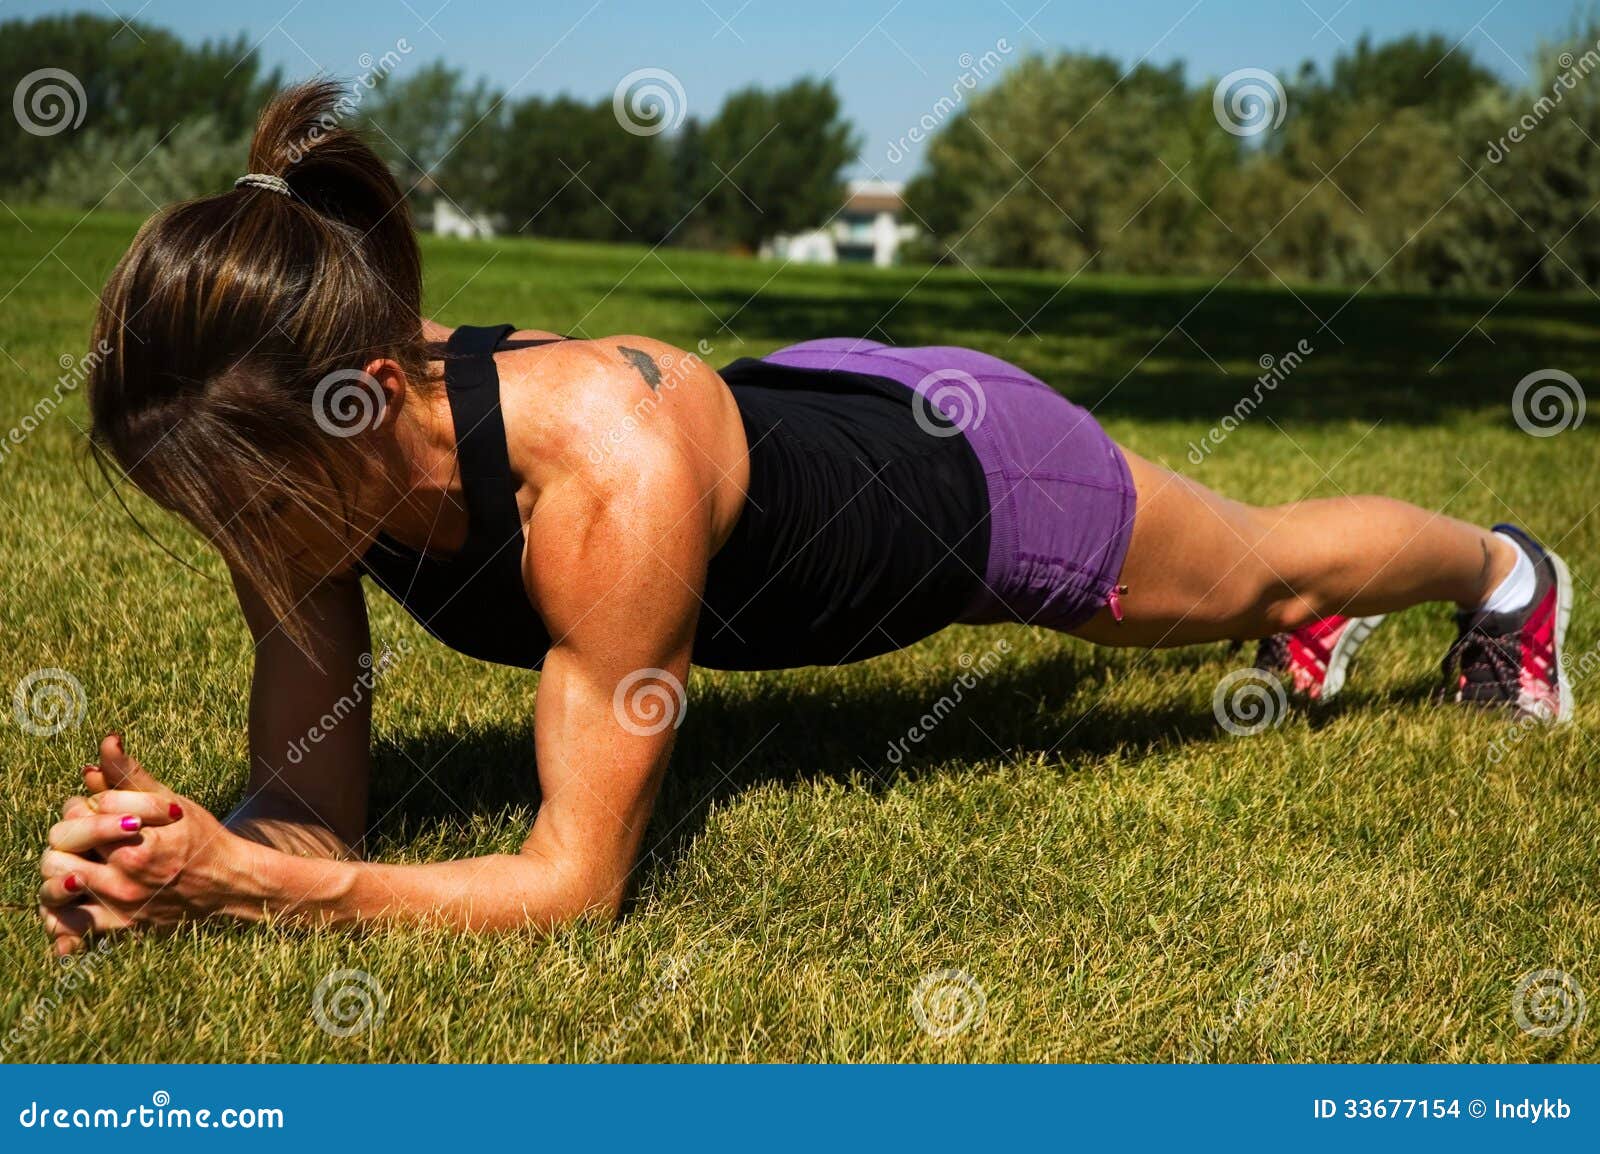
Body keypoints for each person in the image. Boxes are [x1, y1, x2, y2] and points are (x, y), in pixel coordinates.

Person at [37, 82, 1573, 954]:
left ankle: (1507, 576)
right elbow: (318, 815)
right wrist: (186, 858)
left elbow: (573, 886)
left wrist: (273, 887)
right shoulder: (303, 446)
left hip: (967, 476)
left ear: (372, 394)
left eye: (242, 502)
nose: (232, 540)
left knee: (1256, 568)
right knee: (1251, 586)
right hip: (796, 400)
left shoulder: (602, 480)